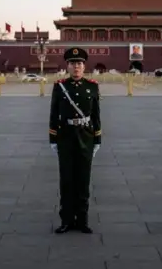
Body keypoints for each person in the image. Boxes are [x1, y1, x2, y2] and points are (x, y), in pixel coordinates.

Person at [49, 47, 101, 234]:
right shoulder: (60, 86)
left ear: (84, 66)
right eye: (72, 64)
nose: (76, 67)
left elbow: (96, 115)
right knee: (67, 180)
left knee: (83, 180)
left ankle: (83, 220)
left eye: (79, 63)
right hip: (66, 137)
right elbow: (54, 114)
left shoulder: (92, 86)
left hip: (86, 137)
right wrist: (53, 139)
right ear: (67, 66)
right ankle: (66, 220)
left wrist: (97, 140)